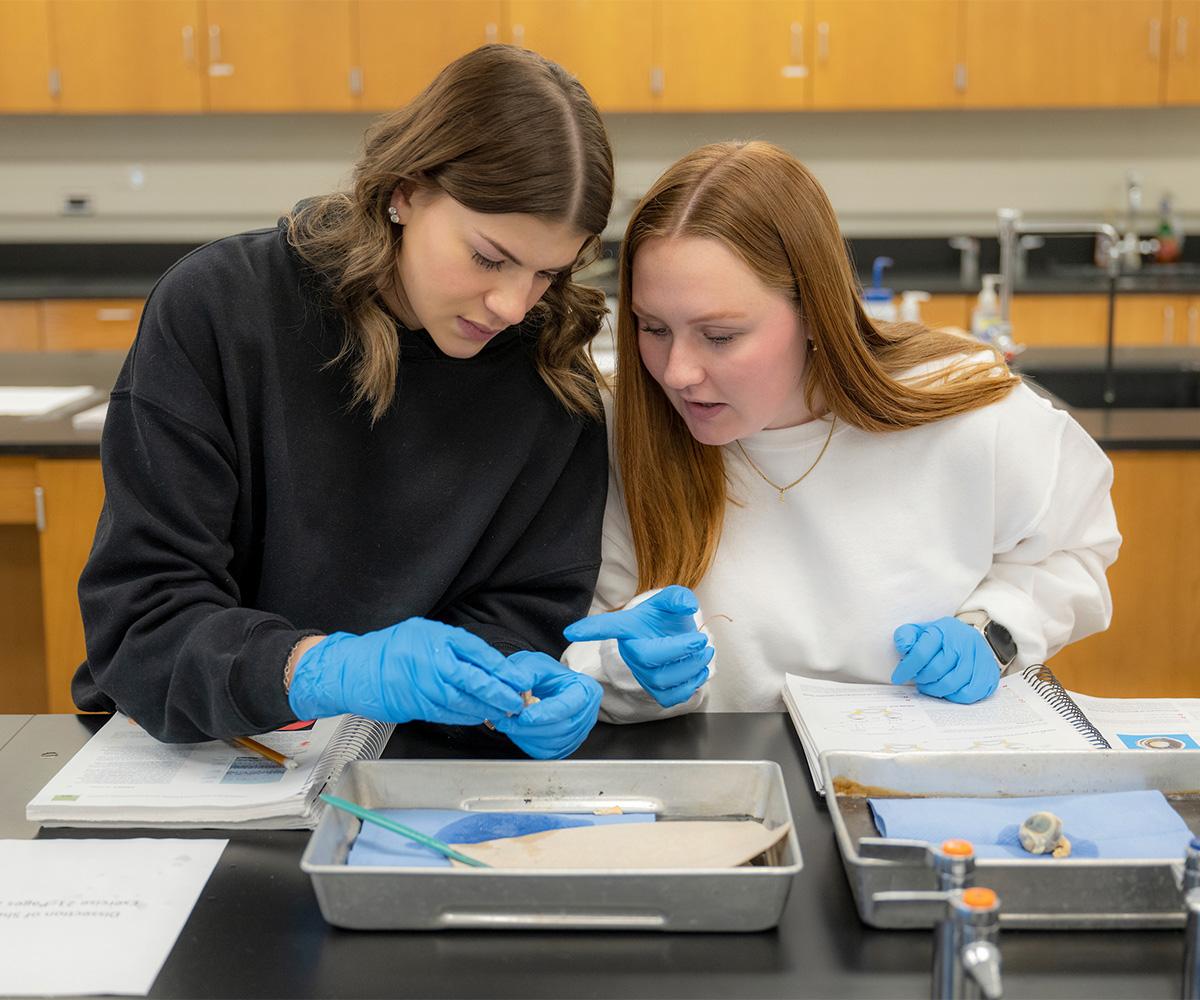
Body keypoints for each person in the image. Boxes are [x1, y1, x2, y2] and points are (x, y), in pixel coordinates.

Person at [73, 45, 613, 759]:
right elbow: (144, 624)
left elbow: (528, 605)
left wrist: (507, 687)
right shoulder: (221, 312)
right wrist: (318, 669)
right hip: (198, 754)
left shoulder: (547, 370)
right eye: (489, 257)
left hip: (416, 767)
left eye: (548, 271)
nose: (514, 305)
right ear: (405, 190)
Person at [563, 141, 1120, 720]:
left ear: (813, 311)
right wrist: (629, 674)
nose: (677, 372)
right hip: (734, 778)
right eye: (653, 328)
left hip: (917, 771)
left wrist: (996, 629)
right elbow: (596, 647)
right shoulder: (623, 425)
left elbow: (1076, 549)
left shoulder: (961, 410)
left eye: (720, 336)